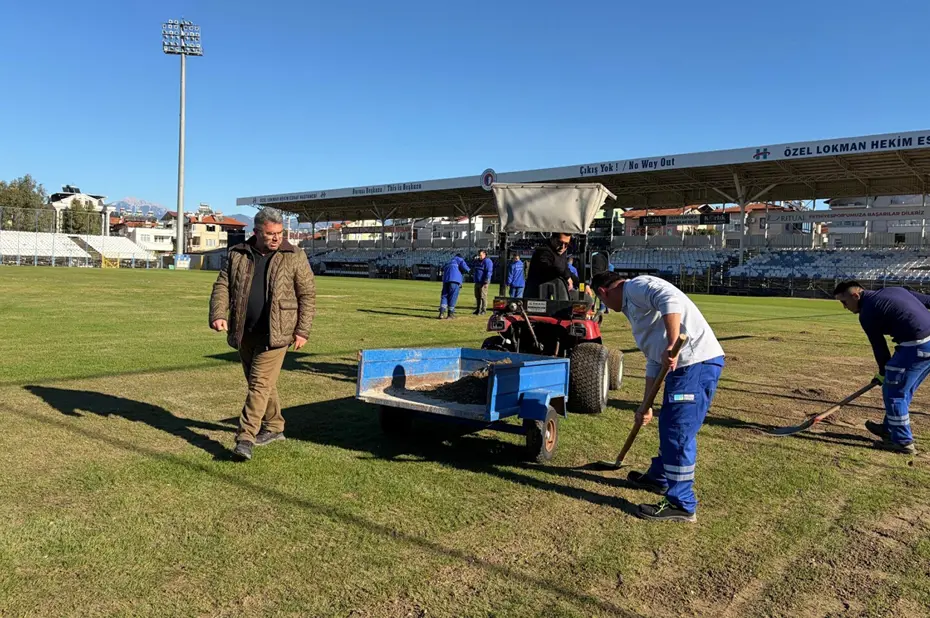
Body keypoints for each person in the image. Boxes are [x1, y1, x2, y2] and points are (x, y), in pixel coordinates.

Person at [593, 272, 725, 523]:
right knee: (669, 424)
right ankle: (660, 477)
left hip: (695, 364)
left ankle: (682, 504)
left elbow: (670, 299)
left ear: (603, 292)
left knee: (678, 429)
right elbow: (654, 360)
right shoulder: (634, 309)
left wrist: (672, 343)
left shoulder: (636, 287)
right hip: (682, 367)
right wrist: (646, 405)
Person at [209, 207, 316, 462]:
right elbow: (222, 285)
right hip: (244, 332)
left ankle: (245, 438)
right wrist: (218, 314)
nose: (277, 238)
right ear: (256, 232)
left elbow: (307, 295)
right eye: (270, 234)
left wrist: (302, 331)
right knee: (262, 385)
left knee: (258, 385)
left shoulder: (294, 255)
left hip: (278, 334)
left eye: (280, 233)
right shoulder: (238, 254)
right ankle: (275, 427)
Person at [833, 281, 928, 454]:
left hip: (916, 346)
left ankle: (902, 442)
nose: (844, 307)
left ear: (856, 295)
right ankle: (889, 428)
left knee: (894, 393)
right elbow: (928, 300)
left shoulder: (867, 314)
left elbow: (880, 347)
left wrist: (884, 372)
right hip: (924, 342)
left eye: (844, 302)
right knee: (903, 388)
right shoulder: (896, 290)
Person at [525, 233, 579, 298]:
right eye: (559, 242)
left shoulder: (562, 252)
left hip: (555, 293)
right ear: (552, 239)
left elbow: (566, 270)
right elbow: (549, 269)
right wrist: (566, 277)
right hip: (537, 295)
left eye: (566, 244)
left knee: (587, 300)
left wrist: (583, 284)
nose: (563, 247)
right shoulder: (543, 251)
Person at [439, 254, 470, 319]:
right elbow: (465, 267)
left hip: (446, 280)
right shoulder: (459, 259)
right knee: (453, 296)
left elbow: (442, 269)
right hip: (455, 281)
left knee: (444, 296)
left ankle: (441, 312)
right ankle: (450, 314)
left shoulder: (448, 261)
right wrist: (470, 271)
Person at [472, 250, 494, 315]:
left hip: (483, 281)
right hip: (477, 281)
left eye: (481, 255)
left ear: (485, 254)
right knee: (477, 296)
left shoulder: (487, 261)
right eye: (479, 255)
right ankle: (478, 309)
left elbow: (489, 271)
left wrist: (486, 280)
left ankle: (483, 310)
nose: (479, 256)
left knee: (483, 296)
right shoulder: (477, 261)